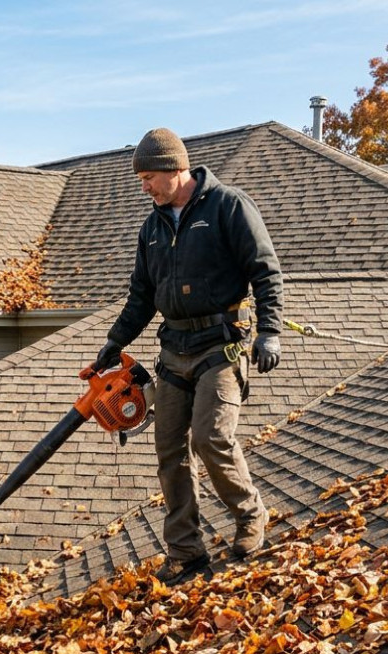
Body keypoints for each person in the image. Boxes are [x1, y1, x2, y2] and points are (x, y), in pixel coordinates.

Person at [93, 127, 284, 586]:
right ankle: (186, 551)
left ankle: (250, 515)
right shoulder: (152, 228)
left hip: (221, 346)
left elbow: (266, 272)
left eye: (148, 178)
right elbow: (142, 296)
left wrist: (270, 334)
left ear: (174, 169)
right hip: (173, 350)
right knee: (170, 451)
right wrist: (115, 342)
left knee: (210, 437)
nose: (144, 188)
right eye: (141, 180)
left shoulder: (227, 206)